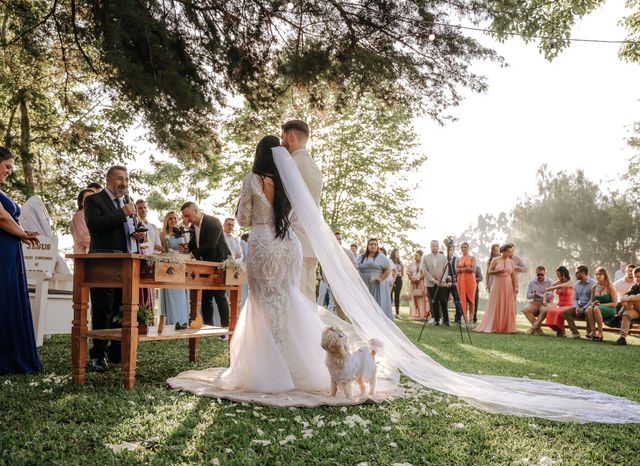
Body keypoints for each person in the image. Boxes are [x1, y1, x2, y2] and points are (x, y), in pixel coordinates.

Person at [167, 141, 640, 423]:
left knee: (266, 307)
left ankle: (269, 371)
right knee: (288, 304)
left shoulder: (253, 179)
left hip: (264, 244)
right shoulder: (287, 184)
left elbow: (244, 218)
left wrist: (253, 209)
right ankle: (299, 368)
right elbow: (294, 218)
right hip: (287, 246)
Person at [84, 165, 145, 372]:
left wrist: (137, 234)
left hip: (125, 264)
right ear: (109, 179)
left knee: (122, 307)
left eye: (126, 179)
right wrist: (122, 214)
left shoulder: (127, 202)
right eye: (120, 179)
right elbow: (95, 225)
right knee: (103, 309)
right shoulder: (93, 200)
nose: (124, 183)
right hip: (104, 263)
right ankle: (98, 355)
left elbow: (129, 229)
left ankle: (117, 353)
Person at [0, 147, 42, 374]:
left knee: (9, 296)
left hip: (9, 249)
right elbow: (1, 217)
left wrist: (23, 234)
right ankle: (6, 356)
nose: (9, 171)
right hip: (2, 251)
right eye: (7, 166)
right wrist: (22, 234)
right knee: (3, 297)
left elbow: (9, 219)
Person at [281, 119, 321, 302]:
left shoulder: (291, 163)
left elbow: (283, 202)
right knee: (308, 295)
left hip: (294, 238)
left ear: (291, 136)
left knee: (293, 297)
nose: (282, 142)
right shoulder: (315, 167)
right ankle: (310, 331)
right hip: (312, 240)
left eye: (283, 137)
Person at [180, 202, 231, 327]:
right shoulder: (194, 227)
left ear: (196, 211)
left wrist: (191, 255)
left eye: (188, 215)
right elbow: (196, 243)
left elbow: (210, 245)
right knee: (205, 298)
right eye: (184, 216)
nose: (186, 219)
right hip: (205, 265)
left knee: (220, 296)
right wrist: (186, 248)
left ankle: (225, 329)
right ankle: (209, 327)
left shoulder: (213, 221)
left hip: (220, 262)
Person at [475, 244, 517, 334]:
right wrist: (498, 271)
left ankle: (506, 327)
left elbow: (513, 276)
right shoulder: (495, 260)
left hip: (508, 285)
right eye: (509, 252)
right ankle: (495, 325)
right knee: (496, 304)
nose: (510, 253)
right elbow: (489, 272)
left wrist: (515, 287)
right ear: (504, 251)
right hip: (497, 284)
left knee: (507, 304)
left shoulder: (511, 262)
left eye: (511, 252)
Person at [158, 211, 189, 326]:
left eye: (175, 218)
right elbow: (160, 250)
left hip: (180, 266)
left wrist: (184, 250)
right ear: (167, 220)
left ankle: (182, 320)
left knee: (180, 295)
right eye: (170, 218)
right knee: (170, 294)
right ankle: (170, 322)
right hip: (168, 268)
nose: (173, 220)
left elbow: (187, 250)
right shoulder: (162, 234)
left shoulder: (182, 233)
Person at [357, 239, 393, 320]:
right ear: (367, 246)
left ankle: (378, 322)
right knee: (365, 303)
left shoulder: (381, 257)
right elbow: (354, 266)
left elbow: (389, 269)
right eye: (371, 244)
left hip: (376, 284)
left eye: (375, 244)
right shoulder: (361, 257)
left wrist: (381, 278)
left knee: (377, 304)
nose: (373, 246)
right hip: (363, 284)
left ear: (377, 246)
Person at [420, 240, 449, 326]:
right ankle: (436, 320)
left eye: (436, 246)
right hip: (430, 283)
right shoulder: (425, 257)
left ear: (438, 247)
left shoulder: (443, 257)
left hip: (441, 283)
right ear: (430, 246)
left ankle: (446, 320)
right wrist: (433, 280)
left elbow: (446, 270)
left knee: (443, 302)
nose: (434, 247)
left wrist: (443, 280)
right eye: (433, 246)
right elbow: (424, 270)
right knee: (434, 302)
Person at [562, 265, 596, 340]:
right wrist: (577, 308)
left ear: (583, 273)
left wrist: (583, 308)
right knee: (566, 312)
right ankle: (575, 333)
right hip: (580, 306)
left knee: (588, 311)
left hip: (590, 306)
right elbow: (575, 298)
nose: (576, 274)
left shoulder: (593, 283)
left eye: (577, 273)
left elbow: (592, 299)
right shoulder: (576, 284)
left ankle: (589, 334)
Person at [585, 267, 618, 341]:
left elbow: (615, 304)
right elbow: (591, 302)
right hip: (597, 308)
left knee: (596, 308)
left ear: (605, 275)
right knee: (590, 308)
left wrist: (601, 305)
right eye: (596, 274)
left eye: (600, 274)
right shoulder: (593, 287)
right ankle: (593, 332)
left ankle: (600, 333)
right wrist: (594, 303)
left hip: (610, 309)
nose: (598, 276)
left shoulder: (610, 287)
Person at [542, 266, 574, 336]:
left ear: (563, 274)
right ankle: (559, 329)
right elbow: (547, 291)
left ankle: (561, 330)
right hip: (560, 304)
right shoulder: (557, 282)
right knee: (550, 311)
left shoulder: (570, 282)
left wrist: (553, 287)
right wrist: (544, 299)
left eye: (558, 275)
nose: (557, 276)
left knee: (558, 312)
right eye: (557, 275)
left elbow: (562, 286)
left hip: (569, 305)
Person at [522, 266, 554, 335]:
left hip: (547, 302)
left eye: (542, 274)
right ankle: (539, 331)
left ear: (545, 273)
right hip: (535, 302)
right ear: (536, 273)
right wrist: (534, 294)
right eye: (538, 274)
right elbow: (528, 296)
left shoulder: (550, 282)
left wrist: (540, 295)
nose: (540, 276)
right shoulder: (531, 282)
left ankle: (533, 328)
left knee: (544, 310)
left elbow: (551, 297)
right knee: (525, 309)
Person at [615, 266, 640, 345]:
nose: (637, 278)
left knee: (631, 300)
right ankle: (622, 338)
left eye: (639, 276)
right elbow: (625, 296)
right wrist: (626, 299)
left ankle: (618, 316)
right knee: (626, 313)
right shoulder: (635, 286)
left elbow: (638, 297)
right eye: (635, 277)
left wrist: (628, 299)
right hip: (637, 310)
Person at [455, 242, 477, 324]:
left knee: (471, 300)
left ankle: (471, 319)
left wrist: (462, 269)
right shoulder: (458, 259)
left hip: (470, 280)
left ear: (468, 248)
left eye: (465, 247)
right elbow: (456, 270)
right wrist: (465, 269)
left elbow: (473, 269)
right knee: (462, 300)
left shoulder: (472, 258)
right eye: (462, 247)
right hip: (461, 280)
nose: (463, 249)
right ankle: (465, 318)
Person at [70, 188, 95, 254]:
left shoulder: (99, 216)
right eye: (88, 199)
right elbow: (83, 238)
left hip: (99, 255)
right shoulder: (79, 215)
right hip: (83, 257)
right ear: (81, 202)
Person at [407, 250, 429, 321]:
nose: (415, 257)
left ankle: (422, 315)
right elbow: (408, 272)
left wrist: (418, 279)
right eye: (415, 255)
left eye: (417, 255)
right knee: (413, 298)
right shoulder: (411, 264)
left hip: (421, 283)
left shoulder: (423, 264)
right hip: (413, 283)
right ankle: (414, 314)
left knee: (421, 299)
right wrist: (411, 278)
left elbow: (424, 273)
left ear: (420, 256)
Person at [389, 248, 404, 319]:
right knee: (390, 296)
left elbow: (402, 272)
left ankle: (397, 313)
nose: (398, 254)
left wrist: (400, 277)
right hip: (391, 279)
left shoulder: (400, 262)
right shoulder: (389, 261)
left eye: (398, 253)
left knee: (397, 297)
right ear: (393, 253)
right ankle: (389, 312)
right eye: (396, 252)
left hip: (398, 279)